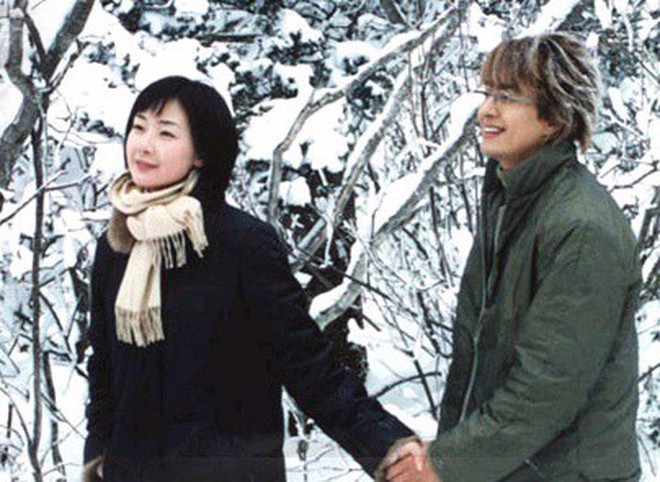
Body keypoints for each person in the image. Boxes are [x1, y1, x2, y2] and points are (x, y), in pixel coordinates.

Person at [83, 75, 414, 481]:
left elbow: (308, 365)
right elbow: (104, 371)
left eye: (166, 133)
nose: (144, 145)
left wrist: (388, 448)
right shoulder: (118, 246)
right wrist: (97, 457)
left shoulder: (243, 244)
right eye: (138, 128)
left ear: (202, 153)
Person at [378, 33, 642, 481]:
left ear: (555, 117)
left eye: (507, 97)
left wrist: (448, 464)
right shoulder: (511, 200)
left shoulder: (580, 227)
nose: (486, 110)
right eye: (487, 93)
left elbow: (547, 388)